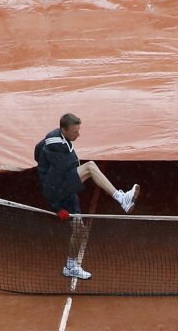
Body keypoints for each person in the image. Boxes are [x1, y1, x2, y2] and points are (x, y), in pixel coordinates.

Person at [34, 113, 140, 279]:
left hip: (66, 190)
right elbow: (50, 187)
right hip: (57, 188)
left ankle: (70, 266)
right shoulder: (56, 145)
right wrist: (57, 208)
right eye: (75, 131)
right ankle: (122, 198)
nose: (78, 134)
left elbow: (37, 149)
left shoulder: (58, 140)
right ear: (64, 129)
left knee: (79, 230)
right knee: (90, 167)